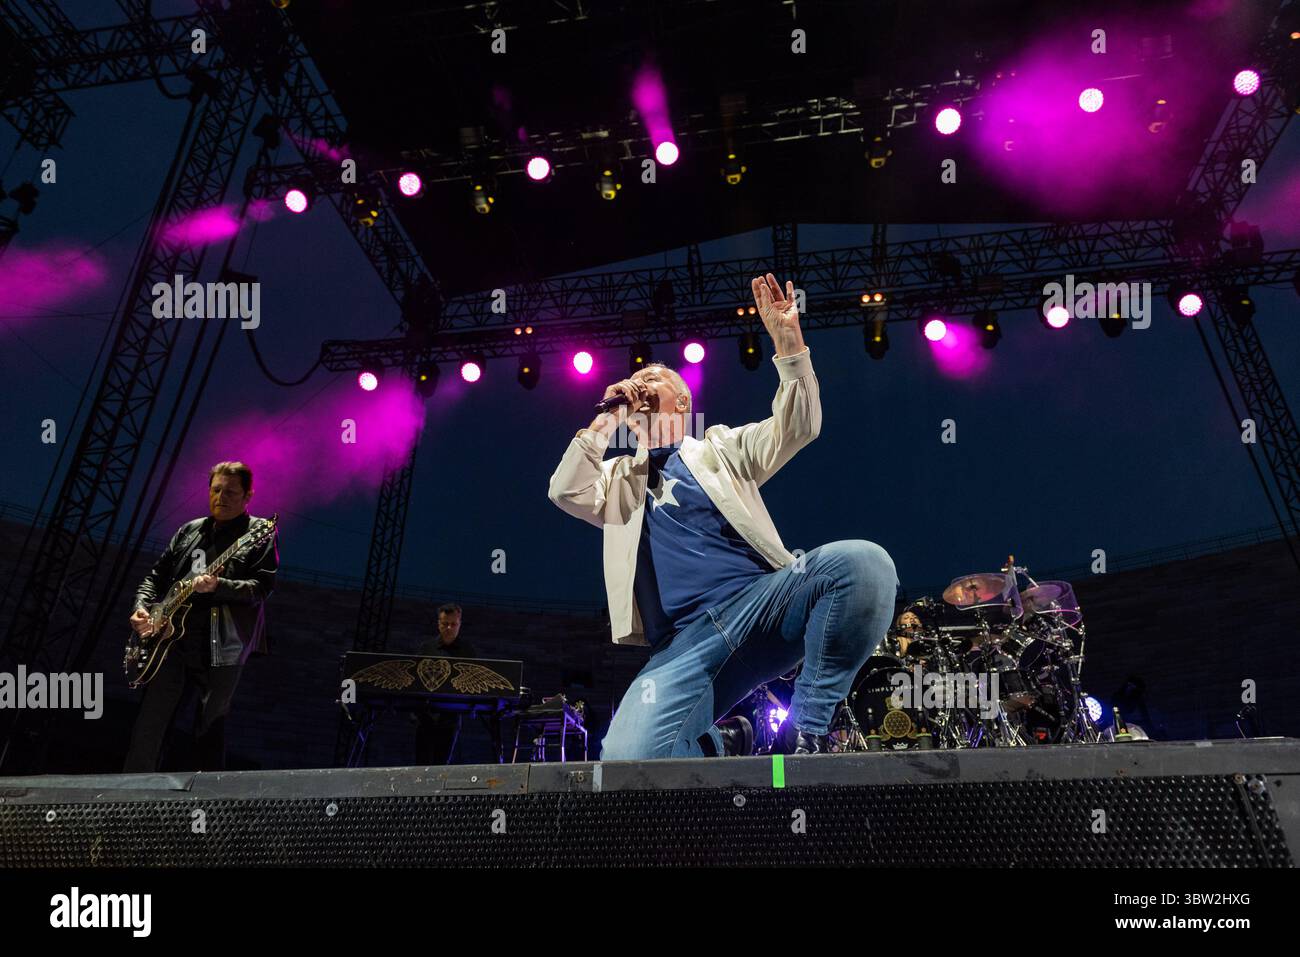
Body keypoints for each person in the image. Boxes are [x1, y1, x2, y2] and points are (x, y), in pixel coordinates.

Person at [547, 273, 898, 757]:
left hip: (760, 606)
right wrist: (607, 417)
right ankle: (728, 741)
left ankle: (811, 729)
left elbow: (799, 426)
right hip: (683, 646)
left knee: (864, 564)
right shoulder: (617, 478)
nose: (642, 384)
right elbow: (565, 491)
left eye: (655, 379)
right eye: (637, 378)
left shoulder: (720, 449)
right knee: (627, 761)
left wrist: (789, 344)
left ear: (684, 401)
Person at [124, 461, 277, 772]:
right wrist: (142, 607)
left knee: (210, 723)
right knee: (151, 722)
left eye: (231, 492)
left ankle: (206, 804)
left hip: (223, 643)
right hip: (171, 640)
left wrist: (218, 585)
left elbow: (260, 589)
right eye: (216, 490)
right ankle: (133, 795)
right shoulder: (188, 531)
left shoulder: (258, 533)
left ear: (248, 496)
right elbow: (156, 576)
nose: (221, 497)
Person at [414, 603, 477, 764]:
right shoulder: (426, 648)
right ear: (438, 624)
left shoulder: (467, 650)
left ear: (459, 624)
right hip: (425, 716)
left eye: (453, 624)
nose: (449, 628)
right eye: (445, 624)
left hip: (451, 716)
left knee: (441, 765)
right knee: (421, 765)